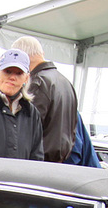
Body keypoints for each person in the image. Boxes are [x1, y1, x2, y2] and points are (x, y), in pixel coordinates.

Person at [11, 35, 76, 163]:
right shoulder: (65, 82)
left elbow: (26, 129)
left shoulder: (38, 83)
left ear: (22, 57)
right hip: (59, 160)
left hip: (39, 162)